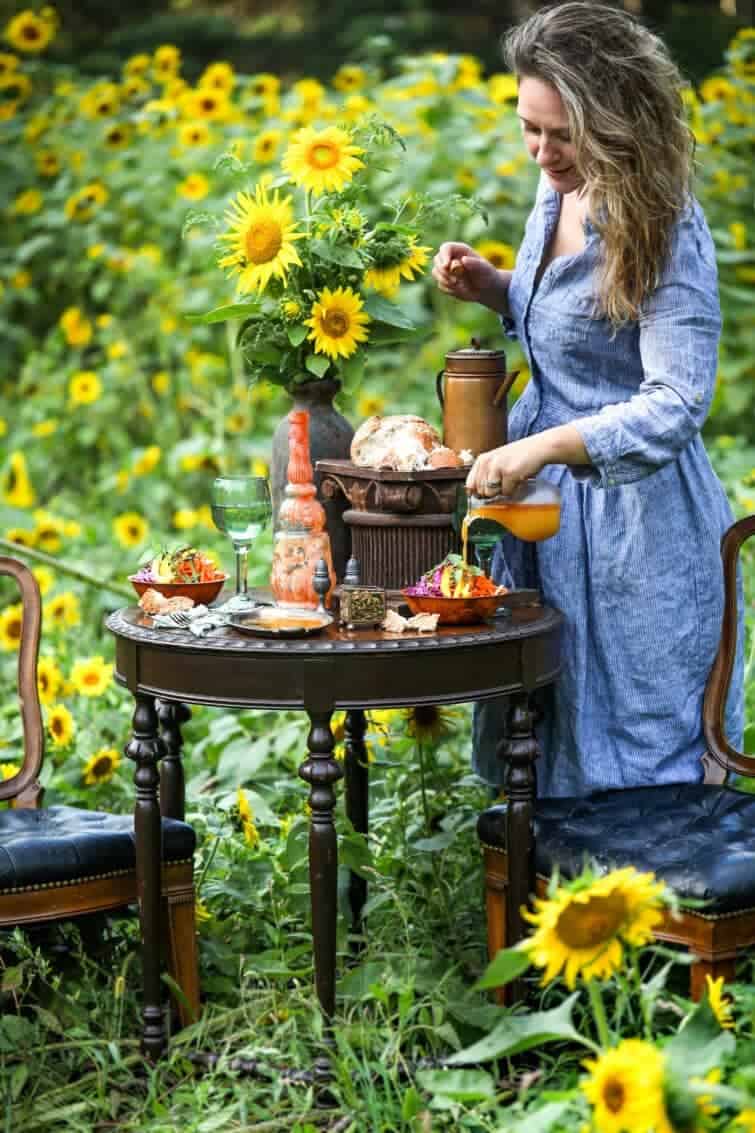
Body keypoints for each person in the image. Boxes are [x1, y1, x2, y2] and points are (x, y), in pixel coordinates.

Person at [432, 0, 744, 798]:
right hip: (548, 520)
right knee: (541, 742)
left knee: (639, 758)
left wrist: (539, 446)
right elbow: (583, 326)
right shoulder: (558, 193)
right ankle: (544, 910)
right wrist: (497, 289)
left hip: (633, 533)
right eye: (528, 129)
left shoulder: (665, 225)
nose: (540, 152)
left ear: (612, 121)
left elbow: (674, 400)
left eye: (559, 134)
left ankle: (654, 915)